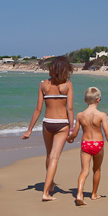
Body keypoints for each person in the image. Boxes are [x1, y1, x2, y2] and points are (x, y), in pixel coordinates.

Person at [21, 55, 74, 201]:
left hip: (47, 123)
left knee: (49, 155)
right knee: (55, 157)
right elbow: (70, 109)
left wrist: (29, 130)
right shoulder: (67, 85)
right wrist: (71, 130)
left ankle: (50, 185)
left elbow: (38, 109)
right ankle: (46, 192)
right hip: (62, 124)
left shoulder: (43, 84)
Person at [73, 87, 108, 205]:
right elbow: (107, 133)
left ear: (85, 100)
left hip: (86, 144)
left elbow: (75, 133)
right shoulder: (102, 115)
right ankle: (94, 194)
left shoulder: (80, 115)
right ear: (98, 99)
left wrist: (70, 138)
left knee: (84, 170)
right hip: (98, 144)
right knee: (97, 169)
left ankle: (79, 194)